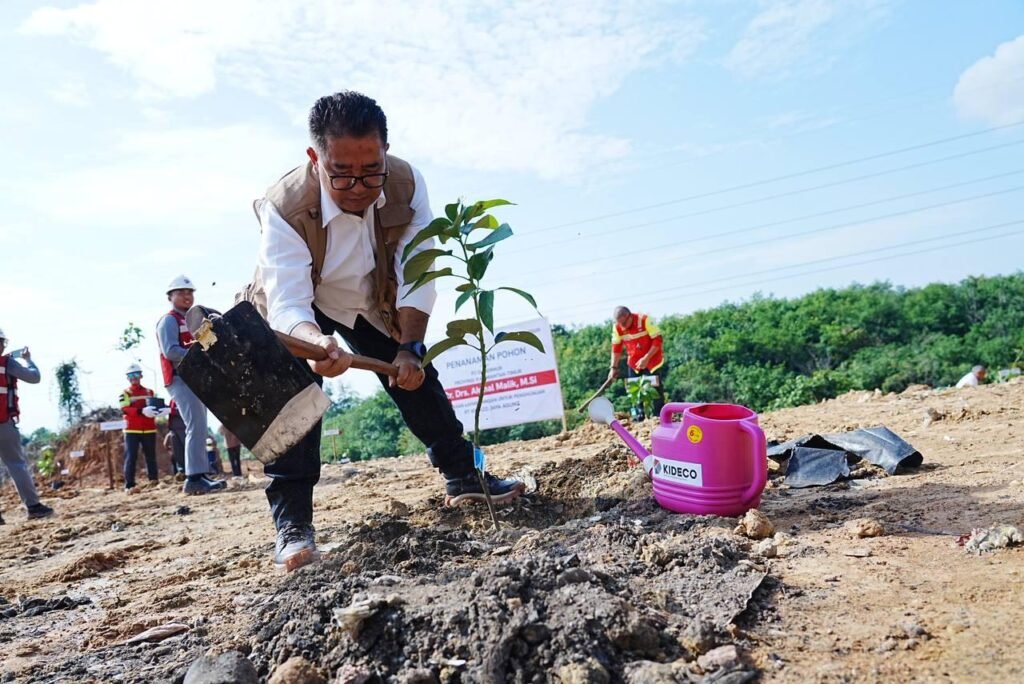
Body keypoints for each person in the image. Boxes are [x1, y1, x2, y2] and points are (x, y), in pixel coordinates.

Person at [254, 90, 526, 570]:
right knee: (294, 401)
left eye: (371, 170)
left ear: (385, 151)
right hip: (302, 311)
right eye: (341, 173)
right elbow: (288, 301)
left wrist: (410, 348)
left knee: (417, 379)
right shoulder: (284, 205)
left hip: (372, 297)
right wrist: (317, 344)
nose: (359, 187)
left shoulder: (406, 183)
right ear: (315, 158)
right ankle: (293, 526)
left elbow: (418, 273)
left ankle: (464, 475)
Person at [156, 276, 226, 495]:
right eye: (181, 292)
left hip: (194, 378)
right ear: (170, 297)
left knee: (200, 425)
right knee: (195, 424)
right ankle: (194, 478)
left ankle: (200, 474)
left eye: (189, 292)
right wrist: (199, 353)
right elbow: (170, 351)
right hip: (179, 378)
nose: (187, 296)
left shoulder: (192, 320)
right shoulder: (169, 321)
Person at [0, 328, 54, 522]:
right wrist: (28, 360)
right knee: (16, 465)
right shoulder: (7, 363)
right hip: (4, 424)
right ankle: (33, 507)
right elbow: (34, 377)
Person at [607, 306, 667, 419]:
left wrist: (647, 358)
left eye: (624, 323)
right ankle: (638, 416)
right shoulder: (617, 327)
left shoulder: (645, 320)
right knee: (633, 390)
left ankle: (659, 416)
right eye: (620, 324)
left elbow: (658, 340)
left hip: (652, 360)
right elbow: (616, 348)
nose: (623, 326)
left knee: (654, 389)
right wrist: (613, 368)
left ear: (629, 316)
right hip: (634, 362)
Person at [119, 363, 161, 491]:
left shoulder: (149, 392)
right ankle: (129, 485)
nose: (134, 377)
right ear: (127, 378)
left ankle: (153, 481)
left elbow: (155, 405)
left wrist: (161, 410)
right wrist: (140, 411)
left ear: (141, 376)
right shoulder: (125, 393)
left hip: (149, 428)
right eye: (131, 375)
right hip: (132, 429)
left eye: (136, 374)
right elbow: (124, 409)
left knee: (151, 456)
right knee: (131, 457)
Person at [164, 400, 186, 476]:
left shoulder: (185, 395)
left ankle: (194, 473)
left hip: (183, 428)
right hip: (173, 429)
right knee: (178, 453)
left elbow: (186, 410)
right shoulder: (173, 399)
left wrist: (171, 410)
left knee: (187, 451)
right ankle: (182, 473)